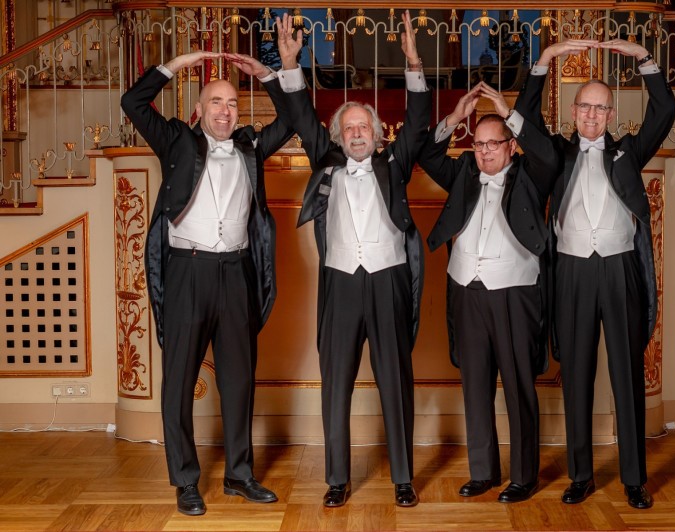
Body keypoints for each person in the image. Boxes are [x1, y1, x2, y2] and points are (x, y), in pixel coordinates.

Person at [120, 50, 294, 516]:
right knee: (178, 378)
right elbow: (133, 103)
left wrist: (269, 76)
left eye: (233, 103)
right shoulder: (175, 139)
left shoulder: (252, 147)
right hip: (186, 271)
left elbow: (296, 116)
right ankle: (185, 480)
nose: (225, 110)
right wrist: (178, 65)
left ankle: (239, 474)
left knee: (239, 380)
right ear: (199, 110)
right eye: (216, 102)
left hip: (237, 273)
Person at [273, 11, 431, 508]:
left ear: (379, 134)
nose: (357, 133)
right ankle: (337, 478)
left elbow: (422, 122)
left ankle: (403, 477)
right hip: (340, 283)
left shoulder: (395, 164)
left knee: (395, 380)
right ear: (338, 136)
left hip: (387, 281)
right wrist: (289, 65)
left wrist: (412, 64)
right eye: (349, 127)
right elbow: (300, 118)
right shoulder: (327, 161)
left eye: (365, 126)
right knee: (335, 382)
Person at [523, 39, 675, 509]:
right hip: (570, 271)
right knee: (578, 373)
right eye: (585, 106)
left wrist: (643, 58)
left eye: (601, 107)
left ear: (611, 114)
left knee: (627, 372)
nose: (592, 114)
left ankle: (634, 478)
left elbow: (665, 110)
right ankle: (581, 474)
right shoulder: (554, 153)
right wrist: (543, 63)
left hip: (620, 269)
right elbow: (524, 121)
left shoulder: (629, 152)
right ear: (574, 110)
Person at [418, 80, 557, 503]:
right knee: (475, 384)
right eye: (478, 144)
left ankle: (523, 475)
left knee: (517, 385)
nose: (484, 152)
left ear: (511, 146)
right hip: (466, 290)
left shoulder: (533, 176)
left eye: (493, 144)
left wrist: (508, 109)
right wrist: (455, 118)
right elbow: (426, 154)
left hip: (514, 292)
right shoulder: (464, 171)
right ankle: (483, 472)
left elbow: (550, 156)